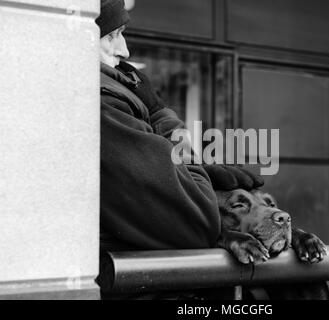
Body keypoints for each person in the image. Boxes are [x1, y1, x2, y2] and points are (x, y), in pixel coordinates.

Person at [96, 0, 263, 254]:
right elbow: (198, 222)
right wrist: (158, 113)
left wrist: (197, 173)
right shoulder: (103, 102)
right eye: (112, 35)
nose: (124, 50)